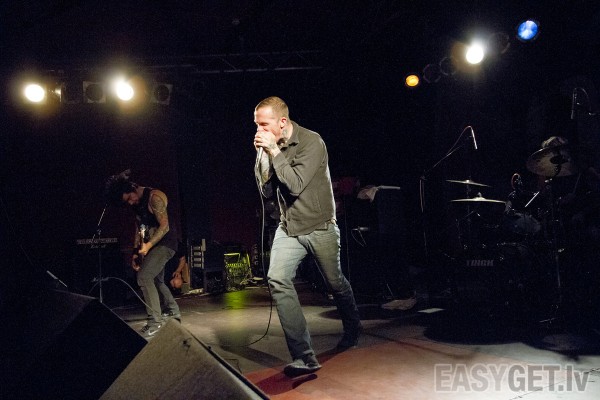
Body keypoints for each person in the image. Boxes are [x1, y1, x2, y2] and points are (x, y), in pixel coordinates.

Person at [253, 96, 362, 377]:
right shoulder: (271, 146)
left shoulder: (311, 142)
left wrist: (274, 152)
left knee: (335, 283)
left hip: (319, 226)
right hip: (289, 227)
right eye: (256, 125)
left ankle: (353, 327)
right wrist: (264, 156)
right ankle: (304, 357)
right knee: (277, 278)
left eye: (264, 124)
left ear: (282, 122)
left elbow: (296, 185)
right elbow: (266, 191)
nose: (259, 130)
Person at [104, 170, 181, 336]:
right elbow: (139, 228)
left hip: (166, 243)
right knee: (157, 280)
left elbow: (165, 226)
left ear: (132, 188)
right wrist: (135, 252)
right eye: (127, 202)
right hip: (153, 246)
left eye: (129, 198)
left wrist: (149, 245)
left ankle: (155, 322)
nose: (130, 202)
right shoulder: (136, 205)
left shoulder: (154, 197)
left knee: (144, 277)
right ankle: (173, 311)